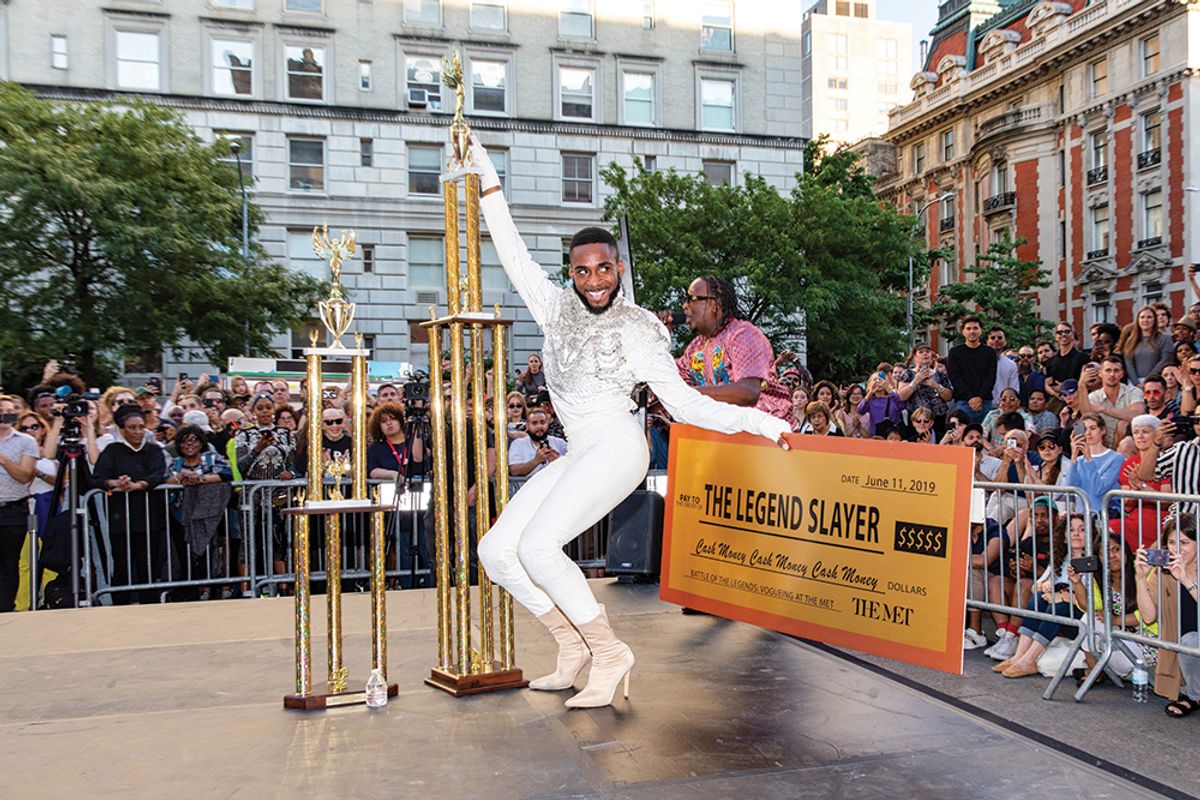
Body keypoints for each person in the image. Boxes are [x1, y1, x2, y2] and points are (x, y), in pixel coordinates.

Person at [458, 136, 790, 709]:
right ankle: (572, 645)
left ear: (616, 268)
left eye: (604, 268)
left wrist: (762, 426)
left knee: (540, 548)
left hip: (616, 446)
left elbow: (685, 405)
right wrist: (487, 179)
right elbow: (510, 251)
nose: (594, 280)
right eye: (583, 270)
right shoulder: (553, 305)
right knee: (497, 551)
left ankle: (610, 653)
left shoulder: (638, 328)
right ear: (571, 272)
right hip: (579, 449)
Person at [666, 274, 795, 427]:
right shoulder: (696, 347)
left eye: (691, 299)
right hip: (726, 437)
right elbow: (670, 380)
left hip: (768, 439)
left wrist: (689, 394)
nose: (684, 306)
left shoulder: (743, 335)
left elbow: (747, 392)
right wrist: (657, 337)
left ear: (714, 304)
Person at [90, 404, 168, 604]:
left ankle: (150, 603)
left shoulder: (153, 450)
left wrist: (141, 484)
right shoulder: (112, 450)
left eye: (141, 427)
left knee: (148, 565)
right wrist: (115, 483)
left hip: (150, 518)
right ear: (122, 430)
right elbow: (98, 477)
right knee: (122, 565)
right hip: (120, 520)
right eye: (132, 428)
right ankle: (121, 604)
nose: (137, 432)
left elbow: (159, 473)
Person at [1135, 514, 1199, 716]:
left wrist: (1186, 580)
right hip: (1187, 645)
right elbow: (1148, 616)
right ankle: (1194, 695)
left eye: (1184, 542)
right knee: (1189, 641)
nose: (1176, 549)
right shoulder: (1162, 572)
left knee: (1191, 640)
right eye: (1171, 542)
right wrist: (1140, 578)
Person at [0, 396, 38, 612]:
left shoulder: (25, 441)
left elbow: (24, 476)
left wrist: (3, 460)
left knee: (9, 563)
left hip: (14, 509)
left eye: (9, 410)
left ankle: (5, 609)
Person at [1077, 356, 1145, 447]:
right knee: (1080, 427)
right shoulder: (1093, 396)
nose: (1112, 374)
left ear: (1122, 374)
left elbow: (1138, 417)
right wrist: (1081, 385)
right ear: (1100, 373)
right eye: (1108, 370)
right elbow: (1086, 417)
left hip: (1127, 445)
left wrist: (1104, 409)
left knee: (1123, 424)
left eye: (1116, 371)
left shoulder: (1134, 392)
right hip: (1101, 444)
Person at [1067, 414, 1123, 518]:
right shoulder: (1079, 460)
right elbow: (1070, 488)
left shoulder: (1116, 458)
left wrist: (1089, 459)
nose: (1088, 433)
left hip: (1104, 517)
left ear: (1102, 430)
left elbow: (1099, 489)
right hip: (1082, 517)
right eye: (1084, 429)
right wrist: (1074, 456)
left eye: (1092, 428)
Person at [947, 316, 997, 424]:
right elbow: (955, 378)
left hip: (985, 401)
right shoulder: (955, 352)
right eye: (968, 329)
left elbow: (990, 377)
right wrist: (970, 398)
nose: (972, 331)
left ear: (981, 330)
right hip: (963, 402)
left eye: (975, 328)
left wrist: (980, 398)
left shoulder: (990, 352)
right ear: (962, 331)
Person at [897, 342, 953, 428]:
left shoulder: (940, 374)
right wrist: (916, 381)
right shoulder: (908, 373)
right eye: (921, 352)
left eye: (927, 351)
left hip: (938, 417)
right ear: (915, 356)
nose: (925, 354)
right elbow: (901, 396)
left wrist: (936, 386)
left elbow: (949, 397)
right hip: (916, 418)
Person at [366, 402, 422, 482]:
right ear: (379, 427)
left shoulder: (414, 441)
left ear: (401, 421)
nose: (389, 423)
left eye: (393, 419)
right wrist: (392, 474)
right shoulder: (375, 448)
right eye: (384, 421)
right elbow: (372, 471)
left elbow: (419, 458)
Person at [1119, 305, 1173, 386]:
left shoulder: (1166, 339)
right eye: (1142, 317)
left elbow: (1164, 360)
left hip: (1156, 381)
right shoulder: (1130, 340)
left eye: (1149, 317)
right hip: (1133, 384)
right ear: (1138, 320)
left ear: (1155, 320)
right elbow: (1129, 363)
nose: (1145, 320)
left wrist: (1148, 381)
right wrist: (1136, 383)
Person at [509, 408, 568, 477]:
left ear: (548, 423)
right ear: (527, 425)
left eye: (542, 422)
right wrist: (537, 460)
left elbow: (572, 466)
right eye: (534, 423)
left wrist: (557, 459)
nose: (539, 426)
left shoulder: (560, 443)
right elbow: (515, 471)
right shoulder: (518, 444)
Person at [987, 326, 1020, 406]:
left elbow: (1013, 389)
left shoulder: (1011, 365)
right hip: (983, 405)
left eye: (1000, 337)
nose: (996, 340)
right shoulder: (979, 362)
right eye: (993, 337)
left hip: (1003, 407)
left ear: (1005, 342)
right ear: (987, 341)